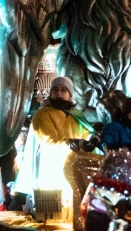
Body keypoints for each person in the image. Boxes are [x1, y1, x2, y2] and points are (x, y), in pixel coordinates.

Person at [14, 76, 92, 221]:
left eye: (63, 90)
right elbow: (48, 141)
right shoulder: (42, 114)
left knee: (71, 220)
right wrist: (74, 143)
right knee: (50, 221)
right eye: (55, 90)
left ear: (70, 94)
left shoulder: (77, 116)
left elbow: (88, 136)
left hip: (72, 172)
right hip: (49, 172)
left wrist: (93, 138)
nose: (59, 93)